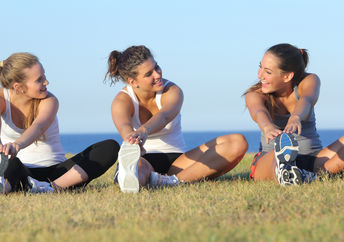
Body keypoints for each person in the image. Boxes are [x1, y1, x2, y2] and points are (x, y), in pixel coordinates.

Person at [105, 45, 248, 193]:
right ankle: (136, 174)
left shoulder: (173, 91)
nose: (157, 74)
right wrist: (133, 141)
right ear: (133, 82)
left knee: (238, 142)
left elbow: (165, 115)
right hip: (144, 158)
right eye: (149, 74)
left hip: (179, 161)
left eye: (157, 67)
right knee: (138, 171)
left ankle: (169, 181)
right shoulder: (121, 101)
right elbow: (125, 127)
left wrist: (143, 131)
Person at [0, 53, 119, 194]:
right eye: (39, 80)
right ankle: (13, 186)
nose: (46, 82)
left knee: (110, 147)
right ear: (19, 87)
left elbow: (38, 126)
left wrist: (17, 144)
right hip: (21, 171)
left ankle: (49, 189)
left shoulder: (50, 100)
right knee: (10, 164)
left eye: (44, 76)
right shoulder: (3, 99)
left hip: (59, 174)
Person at [245, 43, 344, 186]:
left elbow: (307, 99)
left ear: (287, 76)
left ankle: (305, 175)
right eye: (260, 67)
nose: (260, 75)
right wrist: (267, 127)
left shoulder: (309, 81)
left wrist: (296, 117)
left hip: (313, 159)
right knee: (276, 155)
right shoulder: (255, 94)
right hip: (269, 161)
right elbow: (259, 111)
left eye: (268, 72)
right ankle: (286, 169)